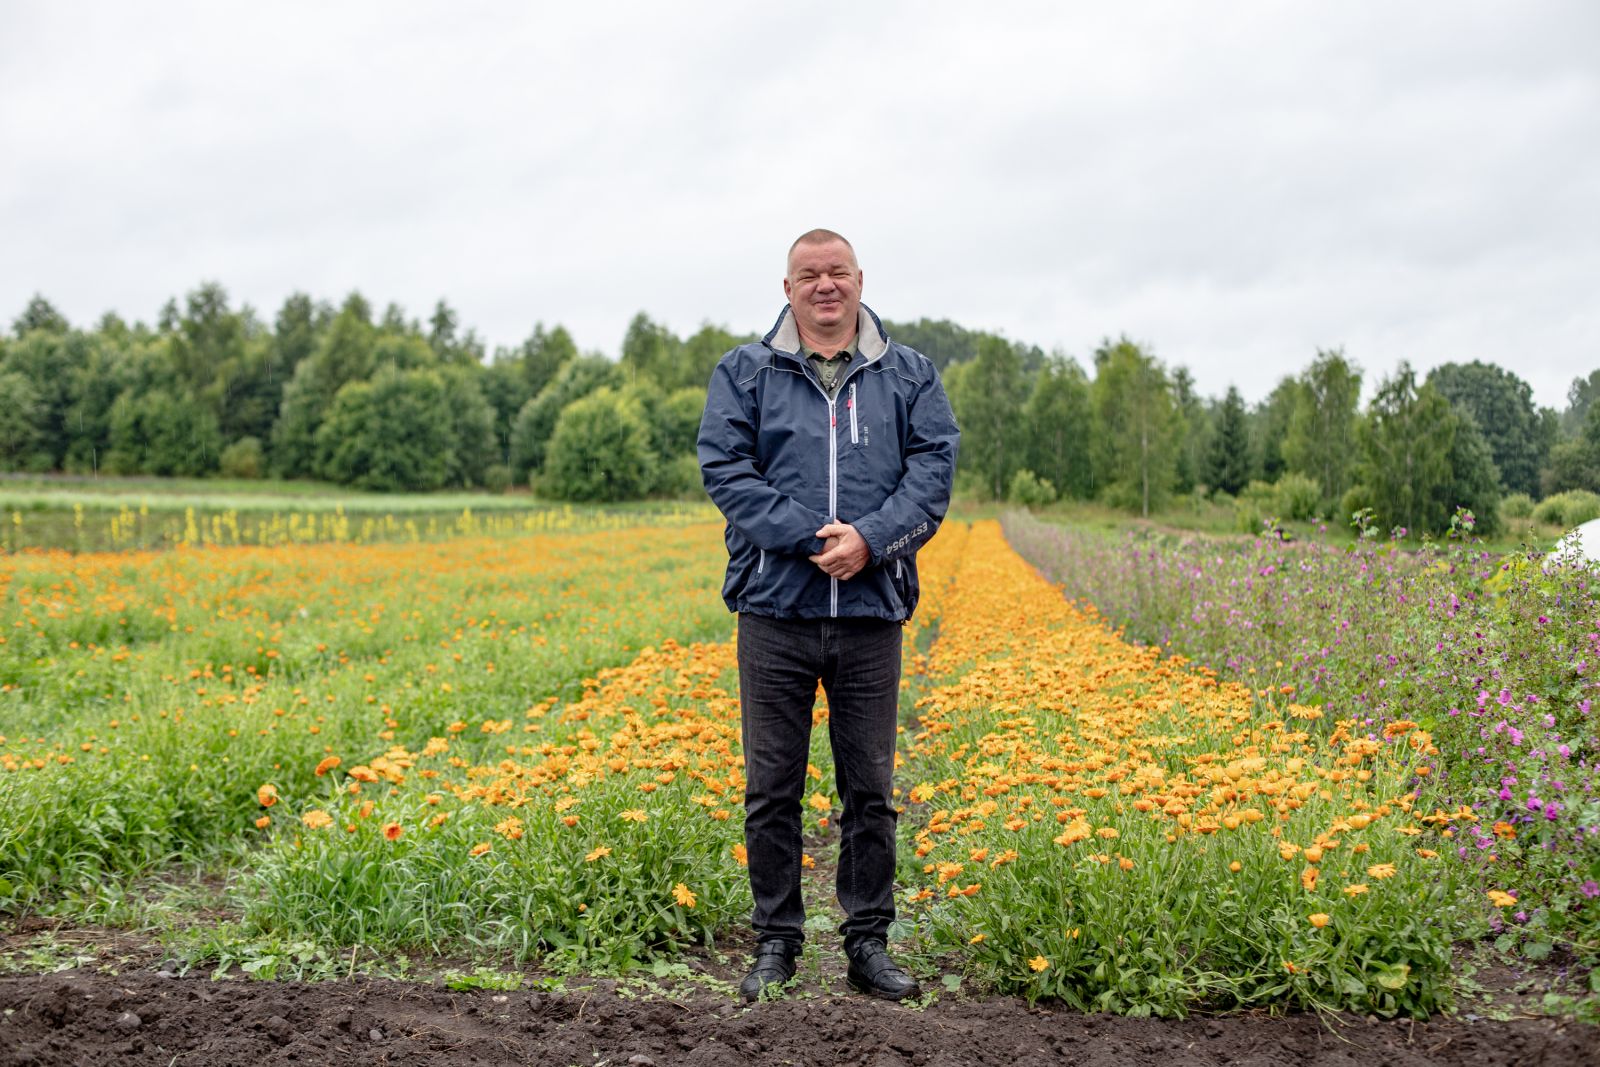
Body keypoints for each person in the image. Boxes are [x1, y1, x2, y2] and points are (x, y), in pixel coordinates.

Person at [697, 229, 959, 1002]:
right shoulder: (744, 372)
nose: (824, 286)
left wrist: (872, 541)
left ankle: (867, 945)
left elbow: (932, 472)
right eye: (808, 274)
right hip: (775, 609)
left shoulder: (909, 375)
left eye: (836, 272)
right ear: (787, 288)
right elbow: (725, 469)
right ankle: (775, 943)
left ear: (859, 279)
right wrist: (814, 539)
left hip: (872, 612)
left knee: (869, 789)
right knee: (770, 788)